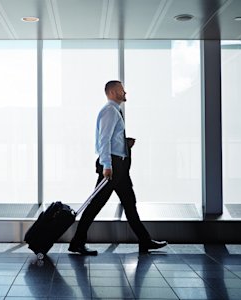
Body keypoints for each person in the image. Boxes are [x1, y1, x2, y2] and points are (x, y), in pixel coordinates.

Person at [68, 81, 167, 255]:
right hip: (112, 167)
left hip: (119, 167)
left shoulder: (115, 111)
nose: (125, 92)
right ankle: (77, 242)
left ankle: (145, 241)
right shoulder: (109, 111)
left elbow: (111, 139)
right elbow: (103, 140)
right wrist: (107, 165)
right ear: (113, 92)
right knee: (95, 205)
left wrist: (124, 143)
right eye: (122, 90)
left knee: (130, 203)